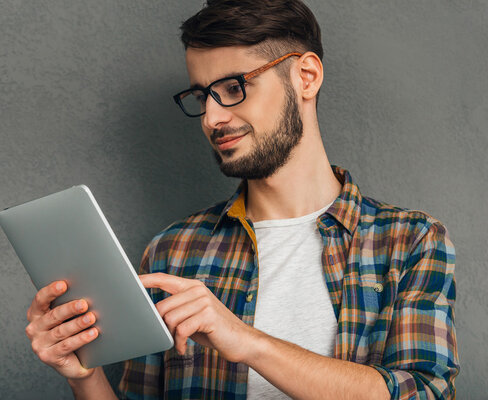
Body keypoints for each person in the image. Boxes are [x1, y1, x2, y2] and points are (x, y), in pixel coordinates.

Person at [23, 1, 459, 398]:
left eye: (233, 87)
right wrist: (84, 375)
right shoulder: (172, 253)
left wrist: (247, 341)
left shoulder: (409, 241)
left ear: (305, 76)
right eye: (201, 96)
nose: (212, 118)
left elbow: (423, 392)